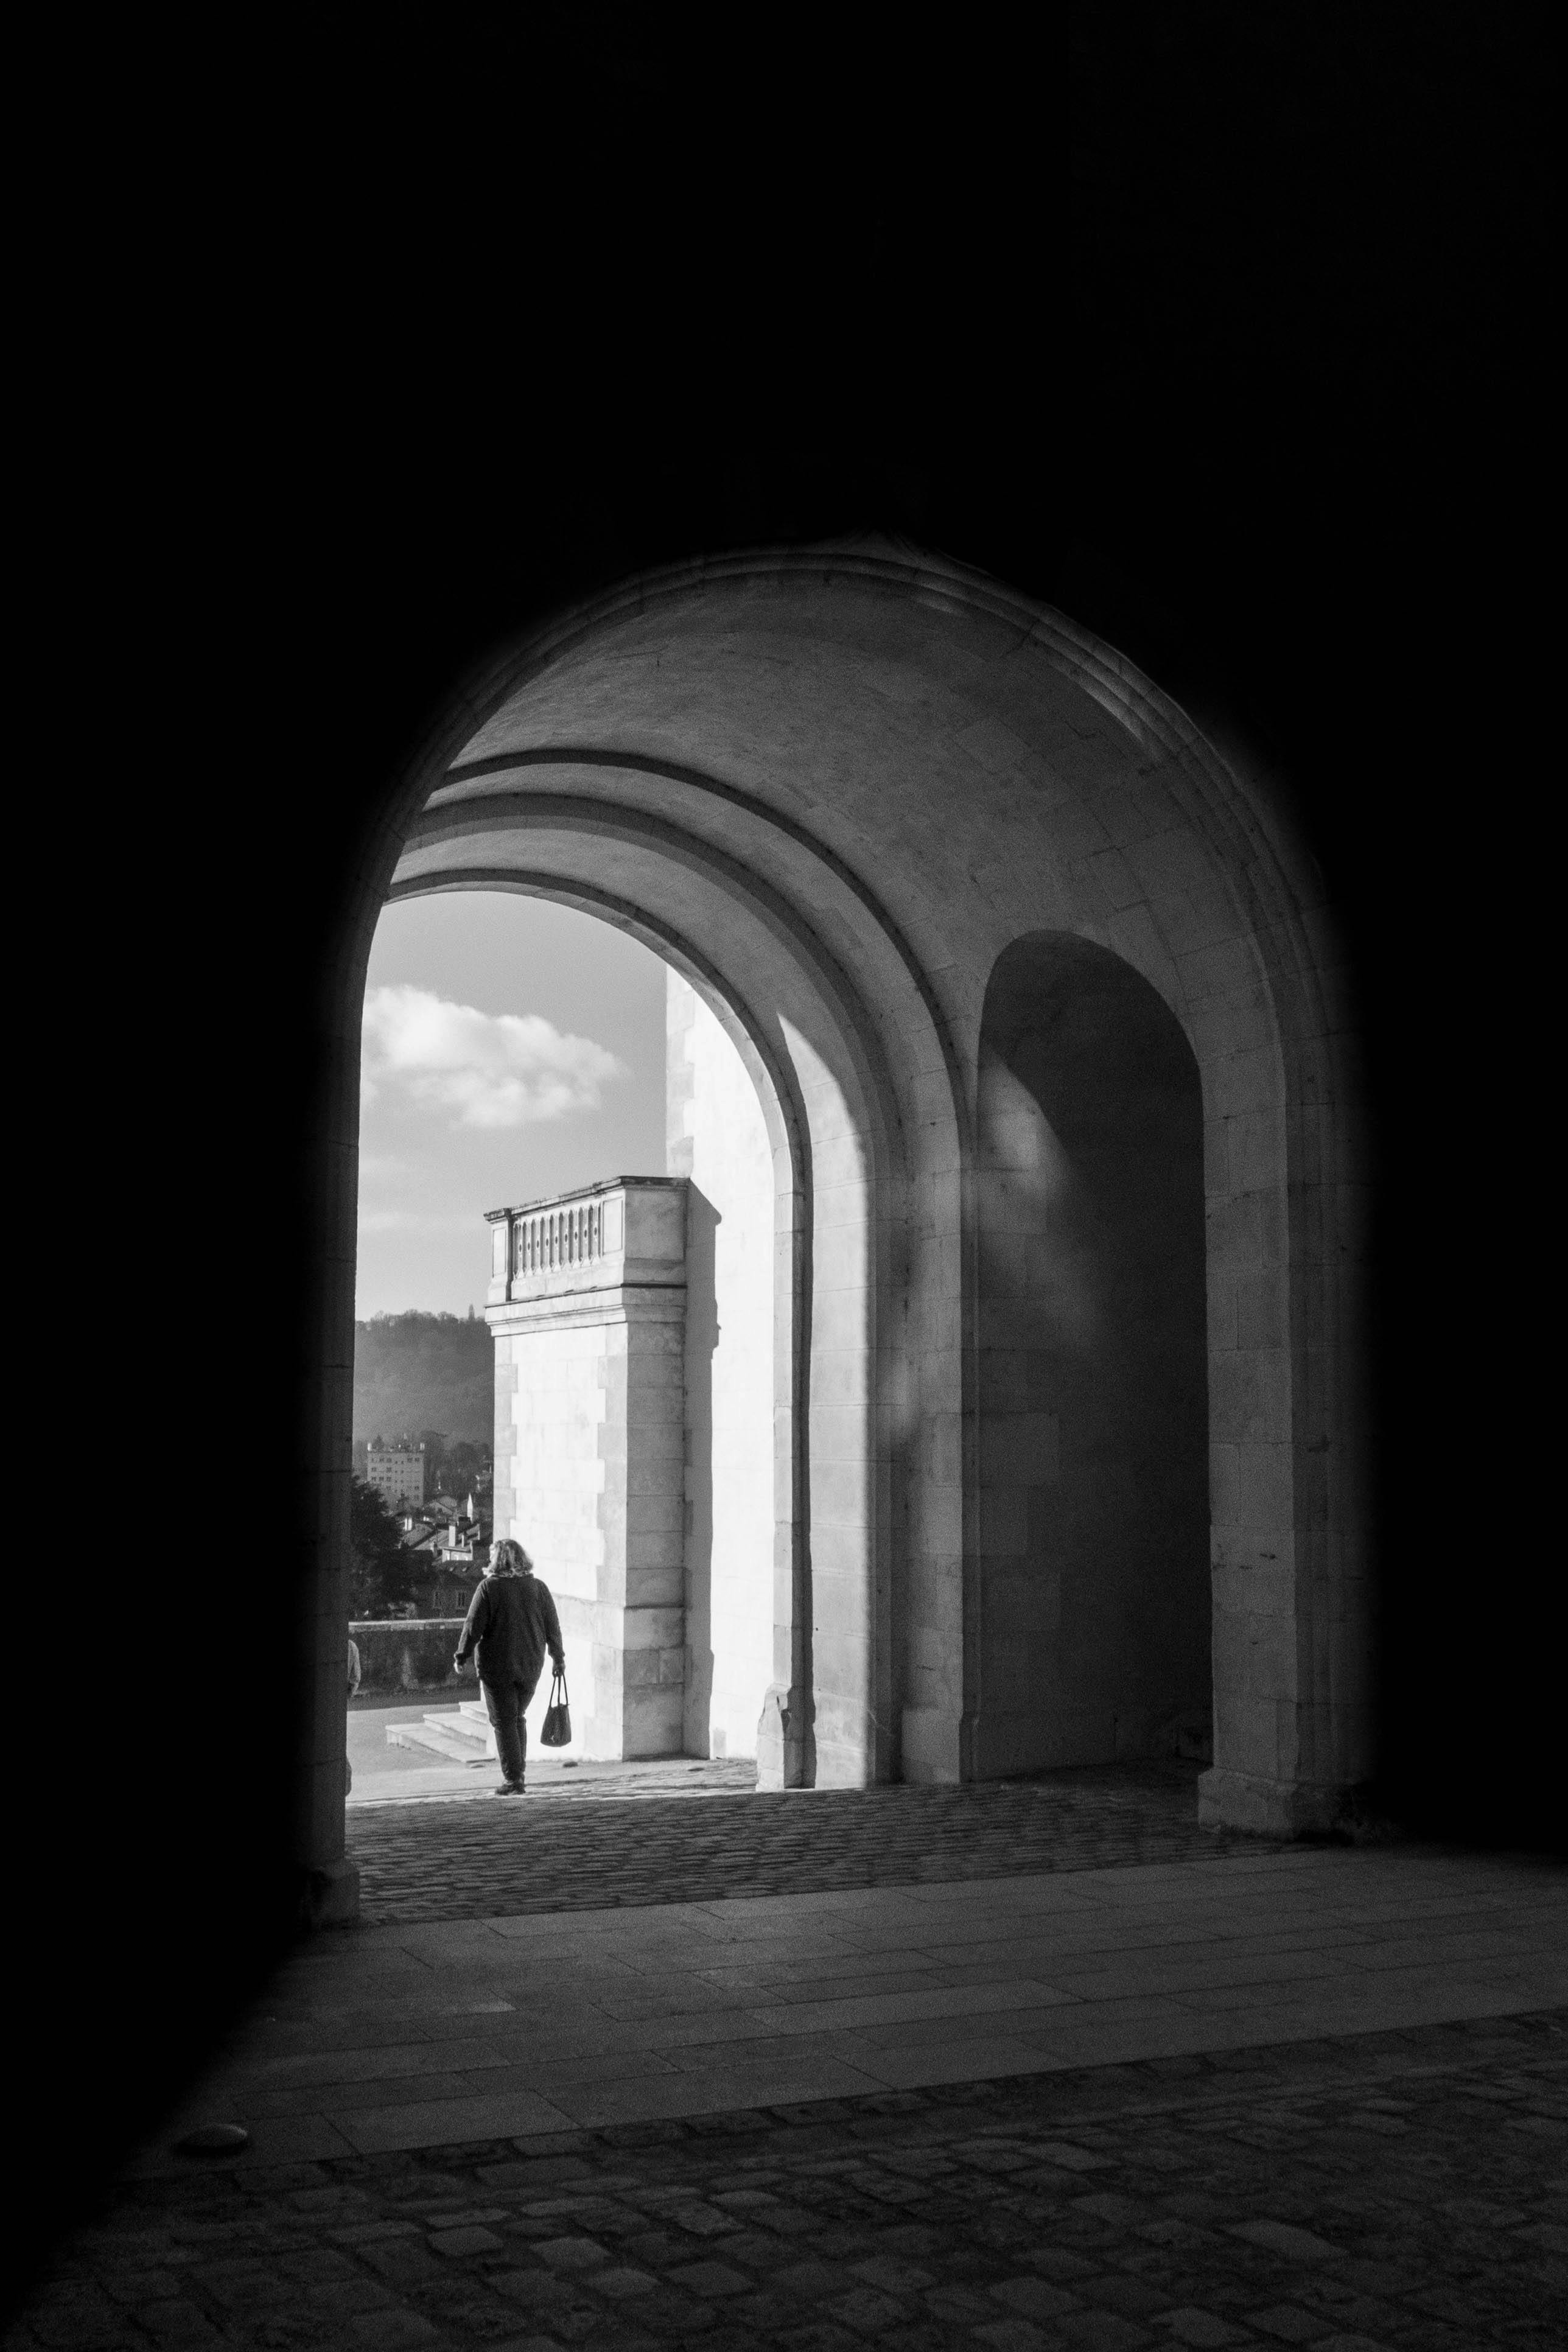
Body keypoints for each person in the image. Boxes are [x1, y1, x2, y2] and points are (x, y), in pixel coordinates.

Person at [453, 1538, 565, 1795]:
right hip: (530, 1664)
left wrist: (462, 1655)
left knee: (504, 1722)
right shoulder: (538, 1588)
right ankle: (519, 1774)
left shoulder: (489, 1588)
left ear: (498, 1559)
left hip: (497, 1666)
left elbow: (473, 1627)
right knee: (517, 1718)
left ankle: (514, 1780)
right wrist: (558, 1657)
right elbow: (553, 1626)